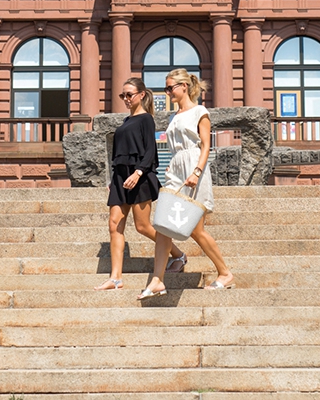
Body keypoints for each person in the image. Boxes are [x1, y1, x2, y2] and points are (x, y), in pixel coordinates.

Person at [139, 68, 234, 299]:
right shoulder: (175, 116)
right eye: (166, 88)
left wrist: (197, 171)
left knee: (195, 228)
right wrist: (173, 165)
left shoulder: (199, 111)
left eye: (170, 87)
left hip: (194, 167)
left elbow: (205, 145)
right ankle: (157, 280)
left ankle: (225, 273)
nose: (168, 92)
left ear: (183, 86)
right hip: (176, 170)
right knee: (163, 225)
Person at [95, 77, 186, 290]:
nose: (126, 99)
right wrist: (114, 178)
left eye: (129, 94)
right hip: (120, 177)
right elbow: (117, 152)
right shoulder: (126, 122)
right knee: (114, 224)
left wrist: (138, 173)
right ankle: (115, 277)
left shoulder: (146, 119)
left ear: (141, 95)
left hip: (140, 176)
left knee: (142, 226)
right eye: (123, 95)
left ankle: (179, 255)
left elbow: (150, 151)